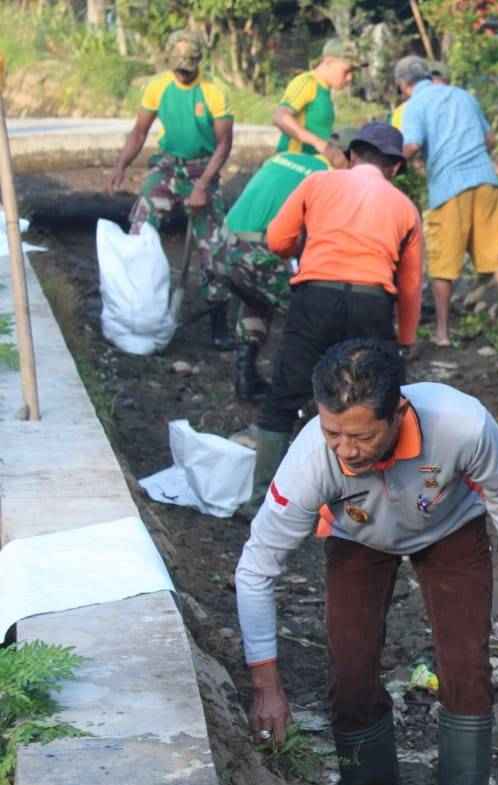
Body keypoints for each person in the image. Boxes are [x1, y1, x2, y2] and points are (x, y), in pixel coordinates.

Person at [237, 338, 498, 785]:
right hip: (358, 537)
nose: (345, 450)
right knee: (350, 677)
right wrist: (265, 685)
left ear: (398, 413)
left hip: (451, 527)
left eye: (361, 436)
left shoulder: (462, 425)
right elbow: (256, 567)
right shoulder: (311, 460)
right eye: (332, 433)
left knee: (468, 673)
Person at [239, 121, 423, 517]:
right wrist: (405, 338)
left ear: (352, 155)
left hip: (315, 297)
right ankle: (373, 505)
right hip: (372, 303)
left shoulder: (318, 184)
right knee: (375, 398)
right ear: (394, 167)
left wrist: (304, 249)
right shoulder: (404, 207)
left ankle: (262, 502)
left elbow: (277, 239)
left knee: (284, 394)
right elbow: (410, 285)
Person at [107, 29, 235, 349]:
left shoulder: (214, 92)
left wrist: (202, 186)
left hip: (203, 168)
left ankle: (219, 323)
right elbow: (139, 132)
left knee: (215, 248)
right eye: (178, 68)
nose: (183, 73)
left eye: (188, 68)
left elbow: (224, 144)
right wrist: (121, 164)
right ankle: (136, 303)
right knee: (139, 227)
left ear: (198, 61)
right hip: (168, 167)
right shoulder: (158, 86)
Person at [207, 129, 356, 401]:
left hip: (219, 247)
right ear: (345, 157)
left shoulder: (282, 158)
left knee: (256, 298)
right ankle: (316, 390)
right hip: (255, 251)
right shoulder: (328, 179)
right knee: (314, 314)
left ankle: (245, 379)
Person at [397, 56, 498, 347]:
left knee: (443, 264)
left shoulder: (414, 105)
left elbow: (412, 144)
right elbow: (490, 139)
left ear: (404, 85)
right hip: (485, 181)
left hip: (449, 187)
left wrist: (390, 166)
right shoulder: (463, 95)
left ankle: (442, 333)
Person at [273, 39, 362, 167]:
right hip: (292, 164)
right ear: (329, 62)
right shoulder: (307, 82)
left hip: (309, 165)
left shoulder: (324, 91)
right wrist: (319, 143)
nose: (350, 78)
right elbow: (280, 117)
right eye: (347, 71)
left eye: (353, 72)